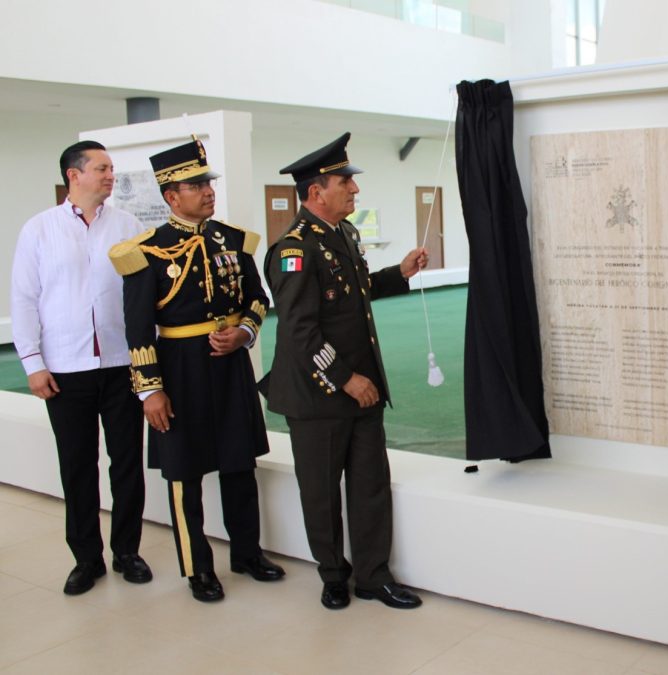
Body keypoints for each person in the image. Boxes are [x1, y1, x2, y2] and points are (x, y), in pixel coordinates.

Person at [109, 137, 284, 602]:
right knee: (184, 476)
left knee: (238, 463)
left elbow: (257, 299)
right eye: (196, 185)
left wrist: (245, 333)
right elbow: (138, 330)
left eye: (208, 183)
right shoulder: (146, 252)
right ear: (171, 196)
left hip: (229, 368)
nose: (208, 191)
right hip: (178, 371)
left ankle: (247, 553)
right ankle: (197, 567)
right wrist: (150, 392)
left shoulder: (232, 239)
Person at [261, 132, 428, 610]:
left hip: (362, 390)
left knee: (370, 486)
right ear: (316, 192)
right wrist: (345, 380)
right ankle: (334, 575)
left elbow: (354, 292)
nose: (354, 190)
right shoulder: (293, 249)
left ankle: (374, 576)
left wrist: (400, 273)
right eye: (345, 182)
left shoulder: (344, 235)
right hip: (320, 395)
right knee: (321, 493)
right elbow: (299, 331)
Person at [11, 140, 152, 596]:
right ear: (74, 175)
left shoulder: (128, 225)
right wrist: (33, 363)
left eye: (111, 168)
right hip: (66, 367)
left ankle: (127, 551)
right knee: (77, 465)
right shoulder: (39, 230)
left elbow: (142, 297)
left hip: (120, 364)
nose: (111, 175)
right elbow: (25, 300)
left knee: (127, 462)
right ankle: (87, 559)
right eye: (102, 168)